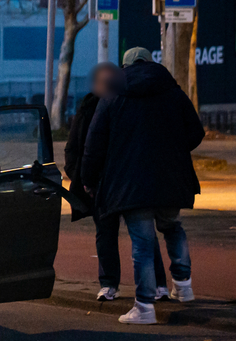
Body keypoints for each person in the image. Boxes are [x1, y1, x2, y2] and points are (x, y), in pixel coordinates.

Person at [82, 46, 204, 324]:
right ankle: (183, 287)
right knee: (172, 226)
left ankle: (145, 307)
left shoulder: (112, 94)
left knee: (143, 243)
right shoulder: (172, 91)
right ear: (150, 63)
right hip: (171, 178)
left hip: (130, 183)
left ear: (124, 68)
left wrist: (89, 180)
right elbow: (196, 132)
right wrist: (174, 151)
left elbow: (94, 143)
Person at [65, 61, 166, 302]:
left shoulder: (112, 103)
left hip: (115, 179)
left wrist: (85, 178)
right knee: (134, 234)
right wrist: (83, 177)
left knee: (130, 234)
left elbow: (86, 147)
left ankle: (124, 287)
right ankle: (137, 286)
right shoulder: (98, 105)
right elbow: (79, 147)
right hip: (115, 180)